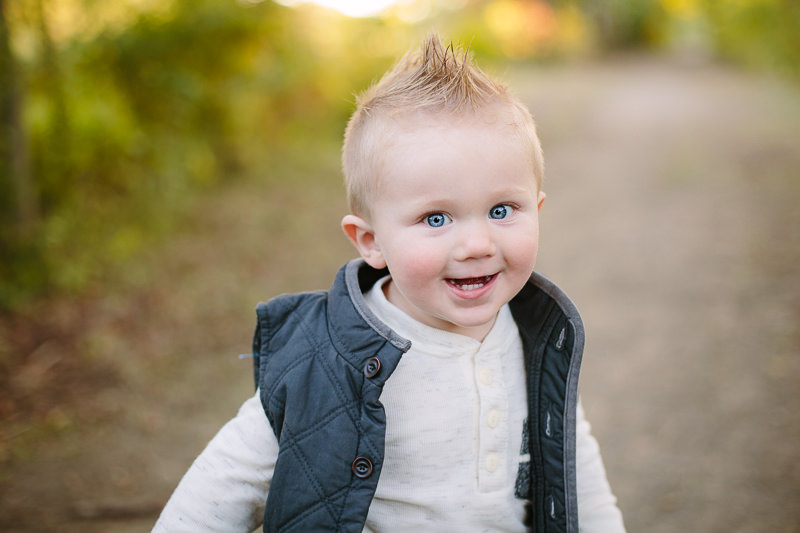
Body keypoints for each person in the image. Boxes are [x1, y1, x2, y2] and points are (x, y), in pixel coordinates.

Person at [152, 34, 625, 533]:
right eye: (436, 219)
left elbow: (576, 468)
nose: (476, 244)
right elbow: (224, 485)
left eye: (501, 210)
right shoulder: (326, 362)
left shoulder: (536, 336)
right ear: (371, 241)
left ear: (538, 210)